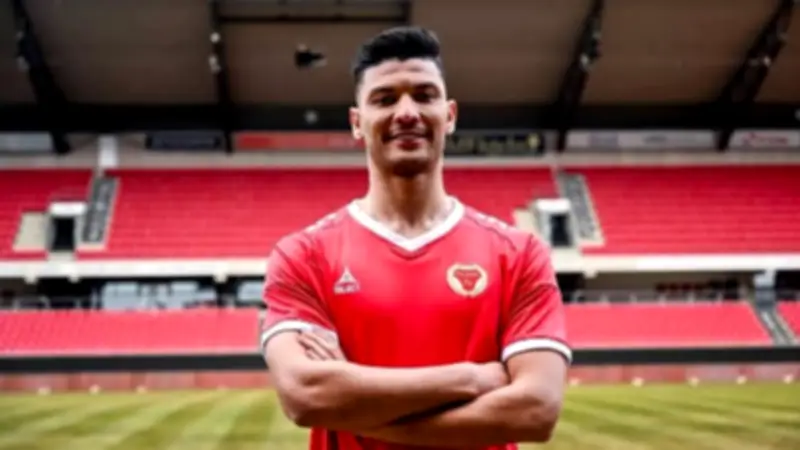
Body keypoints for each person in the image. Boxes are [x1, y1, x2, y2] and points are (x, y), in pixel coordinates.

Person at [261, 26, 571, 450]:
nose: (407, 112)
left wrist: (353, 407)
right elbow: (305, 395)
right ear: (357, 122)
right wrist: (471, 378)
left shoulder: (518, 254)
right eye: (385, 99)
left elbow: (535, 411)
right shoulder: (303, 255)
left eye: (425, 96)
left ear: (450, 115)